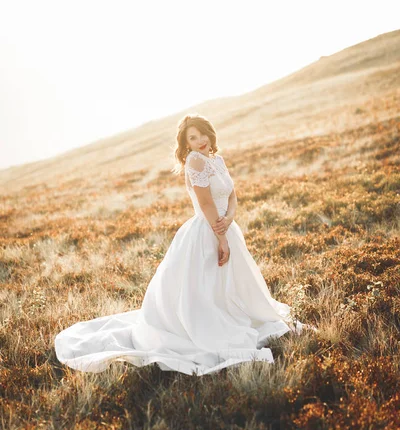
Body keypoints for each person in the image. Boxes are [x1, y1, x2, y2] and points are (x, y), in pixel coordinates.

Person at [55, 114, 315, 376]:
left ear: (210, 134)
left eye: (202, 134)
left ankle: (233, 314)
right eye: (192, 138)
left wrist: (229, 221)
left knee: (232, 287)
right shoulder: (195, 161)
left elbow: (232, 195)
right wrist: (220, 236)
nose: (200, 140)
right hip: (206, 232)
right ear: (186, 144)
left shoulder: (217, 160)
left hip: (225, 226)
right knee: (205, 287)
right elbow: (205, 204)